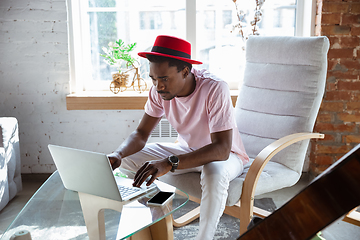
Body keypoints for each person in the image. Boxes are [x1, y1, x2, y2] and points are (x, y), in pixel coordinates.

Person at [107, 35, 249, 240]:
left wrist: (169, 162)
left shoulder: (214, 88)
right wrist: (118, 154)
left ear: (185, 71)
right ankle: (157, 212)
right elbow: (141, 133)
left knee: (213, 173)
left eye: (164, 78)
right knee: (128, 159)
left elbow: (221, 149)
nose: (158, 86)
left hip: (227, 157)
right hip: (187, 150)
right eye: (153, 79)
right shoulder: (158, 91)